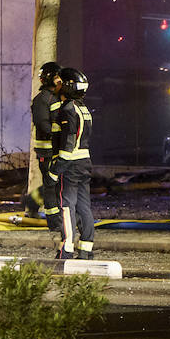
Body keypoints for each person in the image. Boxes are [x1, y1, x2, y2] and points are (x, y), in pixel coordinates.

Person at [53, 67, 95, 260]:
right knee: (84, 206)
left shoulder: (68, 109)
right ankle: (86, 249)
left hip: (70, 165)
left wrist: (55, 170)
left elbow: (68, 143)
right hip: (85, 163)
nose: (57, 86)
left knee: (67, 205)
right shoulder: (84, 109)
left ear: (69, 86)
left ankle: (67, 248)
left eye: (60, 83)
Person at [27, 61, 64, 238]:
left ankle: (31, 201)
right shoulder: (42, 100)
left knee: (55, 184)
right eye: (57, 77)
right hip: (46, 152)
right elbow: (43, 124)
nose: (60, 81)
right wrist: (59, 134)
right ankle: (54, 222)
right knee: (51, 186)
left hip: (56, 151)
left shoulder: (55, 97)